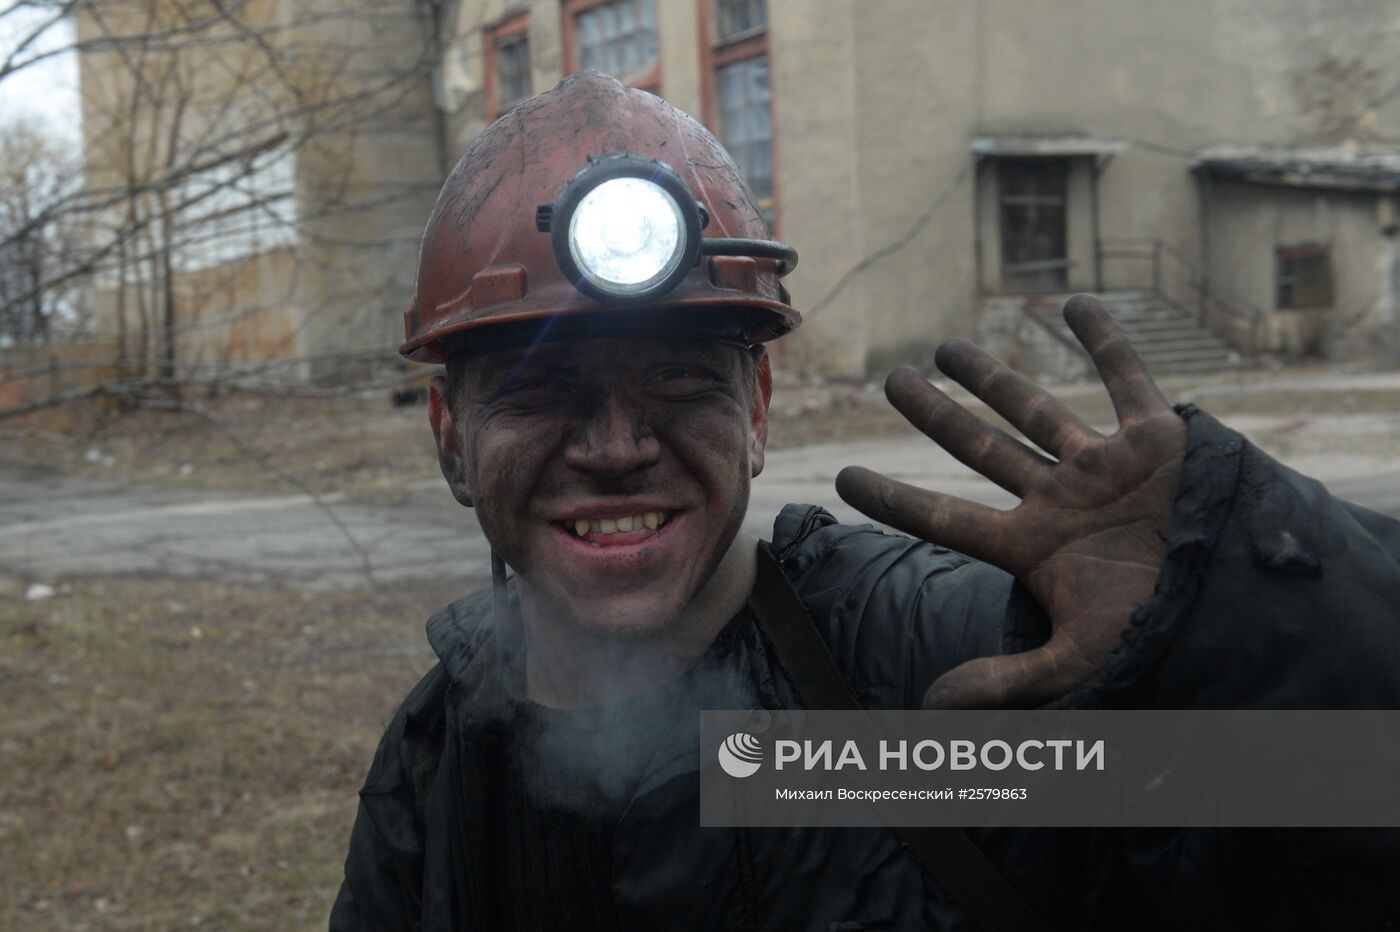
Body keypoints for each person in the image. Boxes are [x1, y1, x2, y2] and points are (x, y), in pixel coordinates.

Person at [330, 71, 1400, 932]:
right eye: (541, 391)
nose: (616, 447)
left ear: (754, 406)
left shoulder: (941, 674)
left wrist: (1248, 619)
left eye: (677, 384)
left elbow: (1345, 841)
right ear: (449, 439)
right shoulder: (438, 755)